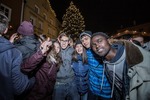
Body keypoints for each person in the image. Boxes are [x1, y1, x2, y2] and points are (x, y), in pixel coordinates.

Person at [91, 32, 150, 100]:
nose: (97, 46)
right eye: (93, 45)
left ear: (108, 40)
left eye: (100, 41)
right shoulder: (105, 62)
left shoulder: (131, 55)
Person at [0, 12, 35, 100]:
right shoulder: (14, 53)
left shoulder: (16, 49)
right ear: (5, 30)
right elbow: (19, 88)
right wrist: (33, 80)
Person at [79, 31, 112, 100]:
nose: (84, 42)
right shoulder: (86, 52)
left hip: (106, 92)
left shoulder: (101, 51)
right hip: (92, 90)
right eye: (82, 41)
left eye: (86, 39)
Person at [53, 33, 80, 100]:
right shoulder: (56, 50)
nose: (64, 43)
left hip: (71, 82)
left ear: (68, 42)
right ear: (59, 40)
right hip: (59, 83)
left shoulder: (72, 51)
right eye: (62, 40)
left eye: (66, 41)